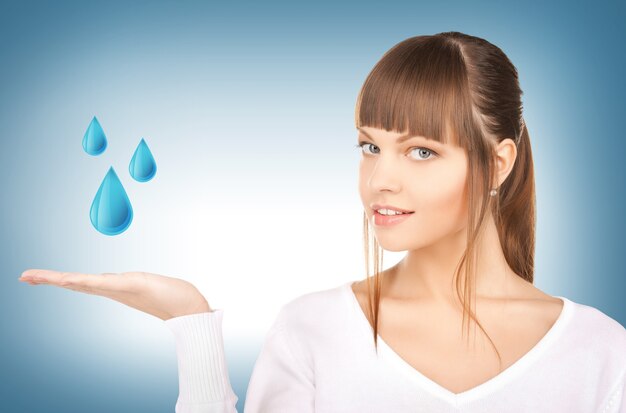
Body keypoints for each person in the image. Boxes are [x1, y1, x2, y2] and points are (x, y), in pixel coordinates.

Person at [18, 31, 626, 413]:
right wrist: (191, 325)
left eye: (421, 151)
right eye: (369, 146)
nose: (380, 179)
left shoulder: (601, 353)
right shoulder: (313, 330)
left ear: (499, 162)